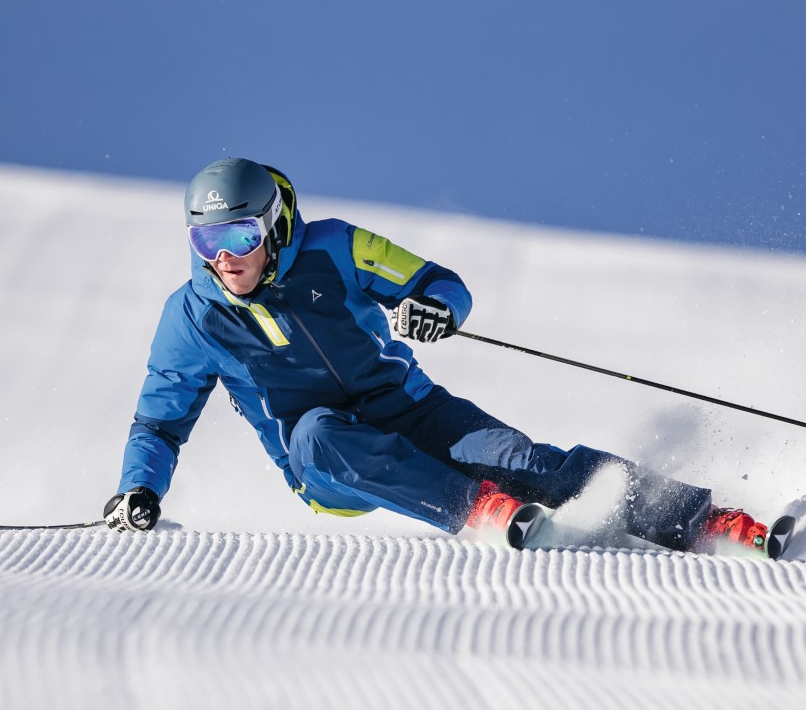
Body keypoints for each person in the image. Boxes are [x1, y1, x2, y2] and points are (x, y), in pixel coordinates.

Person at [103, 157, 770, 554]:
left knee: (533, 463)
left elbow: (439, 283)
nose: (223, 257)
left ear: (273, 223)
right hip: (327, 463)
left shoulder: (334, 247)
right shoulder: (191, 318)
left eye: (239, 234)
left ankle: (705, 520)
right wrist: (140, 486)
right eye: (206, 240)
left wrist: (437, 307)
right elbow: (160, 422)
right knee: (317, 432)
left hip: (415, 409)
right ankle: (479, 510)